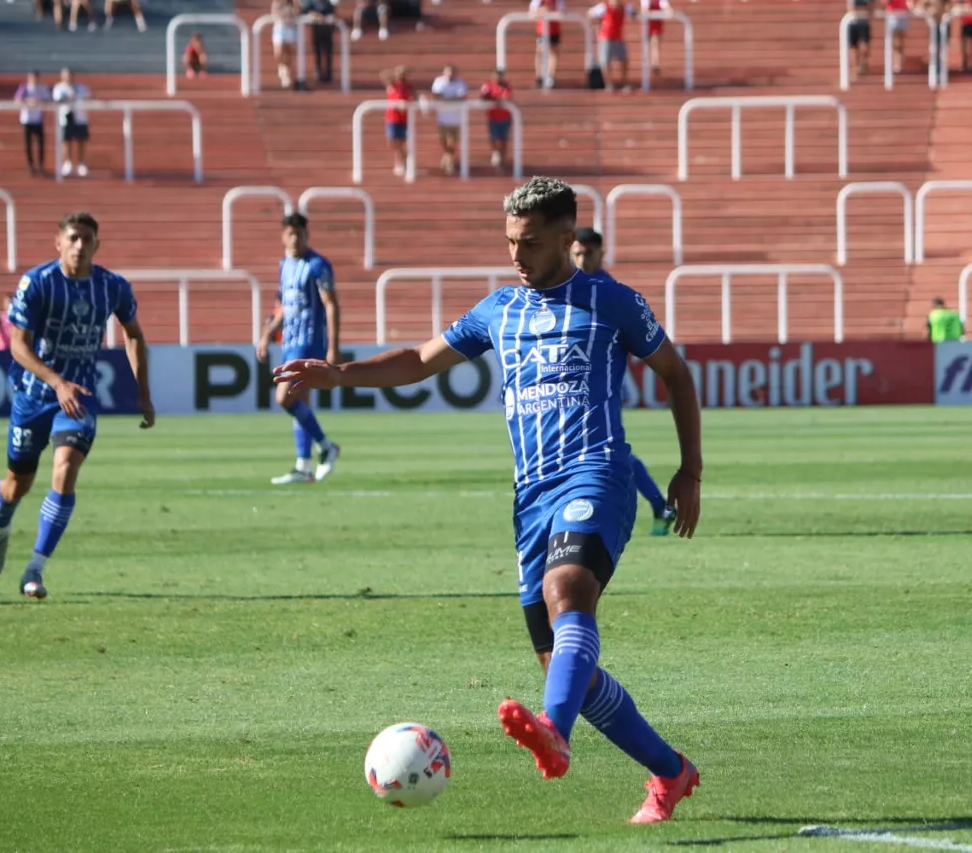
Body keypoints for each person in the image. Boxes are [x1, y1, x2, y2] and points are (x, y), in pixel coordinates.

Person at [273, 177, 703, 822]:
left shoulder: (611, 302)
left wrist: (689, 471)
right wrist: (340, 374)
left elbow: (675, 372)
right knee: (569, 666)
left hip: (596, 473)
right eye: (509, 242)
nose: (516, 255)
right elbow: (420, 360)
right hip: (530, 497)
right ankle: (670, 772)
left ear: (566, 238)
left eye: (528, 243)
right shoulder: (499, 308)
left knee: (569, 591)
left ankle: (553, 732)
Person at [0, 212, 155, 599]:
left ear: (97, 244)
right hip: (33, 395)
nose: (80, 245)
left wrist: (144, 392)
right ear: (58, 242)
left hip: (79, 399)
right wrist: (56, 381)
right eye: (73, 238)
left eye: (87, 239)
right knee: (16, 485)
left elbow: (134, 335)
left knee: (65, 469)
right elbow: (18, 346)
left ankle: (35, 569)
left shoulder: (112, 287)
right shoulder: (38, 283)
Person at [571, 226, 677, 536]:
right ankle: (658, 506)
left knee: (601, 450)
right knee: (603, 450)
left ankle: (648, 506)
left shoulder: (606, 289)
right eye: (576, 253)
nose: (581, 259)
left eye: (587, 253)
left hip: (602, 386)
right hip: (579, 388)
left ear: (601, 253)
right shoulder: (572, 287)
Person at [255, 213, 341, 485]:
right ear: (283, 236)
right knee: (299, 402)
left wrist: (333, 348)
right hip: (289, 341)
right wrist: (266, 335)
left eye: (299, 234)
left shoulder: (318, 265)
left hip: (309, 341)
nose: (295, 239)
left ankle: (326, 446)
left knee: (284, 397)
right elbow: (284, 308)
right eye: (290, 234)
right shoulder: (285, 265)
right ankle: (303, 466)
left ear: (306, 235)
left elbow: (331, 304)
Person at [52, 68, 91, 178]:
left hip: (80, 116)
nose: (68, 78)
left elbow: (88, 97)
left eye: (70, 75)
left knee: (81, 140)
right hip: (66, 117)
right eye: (66, 75)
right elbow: (57, 100)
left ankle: (81, 163)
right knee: (66, 140)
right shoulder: (59, 88)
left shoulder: (81, 88)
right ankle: (67, 162)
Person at [430, 65, 468, 176]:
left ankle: (449, 159)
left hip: (456, 118)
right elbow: (436, 95)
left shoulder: (460, 82)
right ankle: (447, 156)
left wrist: (447, 100)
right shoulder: (439, 81)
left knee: (453, 140)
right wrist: (451, 99)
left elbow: (462, 97)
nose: (450, 75)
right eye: (448, 72)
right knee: (443, 139)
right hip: (443, 117)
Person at [380, 65, 415, 178]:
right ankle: (404, 159)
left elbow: (415, 98)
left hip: (404, 119)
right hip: (392, 118)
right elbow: (383, 75)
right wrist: (396, 71)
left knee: (400, 142)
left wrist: (408, 103)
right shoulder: (392, 85)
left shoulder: (409, 87)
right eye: (400, 74)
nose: (401, 76)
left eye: (403, 74)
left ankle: (400, 163)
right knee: (392, 142)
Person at [14, 70, 50, 175]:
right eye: (31, 77)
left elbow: (48, 99)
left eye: (35, 77)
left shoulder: (42, 88)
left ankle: (41, 165)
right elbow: (17, 100)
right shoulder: (24, 88)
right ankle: (31, 165)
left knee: (41, 143)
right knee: (28, 144)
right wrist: (27, 101)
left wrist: (40, 102)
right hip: (27, 120)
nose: (33, 79)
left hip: (38, 119)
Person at [480, 68, 513, 171]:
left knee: (504, 139)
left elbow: (507, 98)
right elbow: (484, 97)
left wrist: (496, 99)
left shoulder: (506, 86)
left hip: (505, 117)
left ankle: (502, 159)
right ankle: (496, 153)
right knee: (494, 137)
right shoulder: (488, 86)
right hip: (493, 117)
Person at [529, 0, 564, 89]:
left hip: (554, 29)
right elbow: (532, 11)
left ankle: (550, 76)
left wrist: (551, 12)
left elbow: (561, 12)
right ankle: (539, 76)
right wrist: (541, 11)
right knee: (539, 51)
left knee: (553, 52)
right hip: (542, 29)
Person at [272, 0, 299, 90]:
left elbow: (297, 13)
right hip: (280, 27)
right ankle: (282, 68)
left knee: (288, 53)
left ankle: (287, 74)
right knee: (278, 53)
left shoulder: (293, 3)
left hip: (290, 28)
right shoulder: (277, 2)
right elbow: (274, 13)